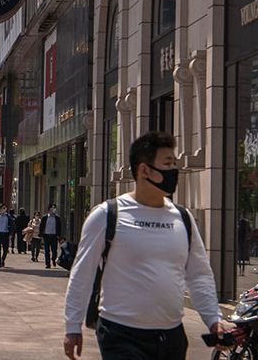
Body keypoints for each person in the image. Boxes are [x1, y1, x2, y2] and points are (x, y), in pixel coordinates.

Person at [63, 131, 224, 360]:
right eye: (167, 164)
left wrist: (213, 320)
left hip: (172, 337)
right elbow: (82, 273)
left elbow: (199, 274)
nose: (173, 172)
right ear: (144, 170)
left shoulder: (182, 218)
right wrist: (72, 326)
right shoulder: (107, 215)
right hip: (121, 335)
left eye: (174, 164)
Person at [39, 203, 62, 269]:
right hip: (46, 235)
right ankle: (47, 264)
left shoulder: (57, 218)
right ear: (49, 209)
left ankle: (53, 259)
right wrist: (41, 234)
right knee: (46, 250)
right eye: (52, 208)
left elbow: (59, 227)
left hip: (54, 236)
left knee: (54, 250)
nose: (53, 209)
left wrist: (59, 235)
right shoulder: (45, 217)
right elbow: (42, 226)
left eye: (54, 208)